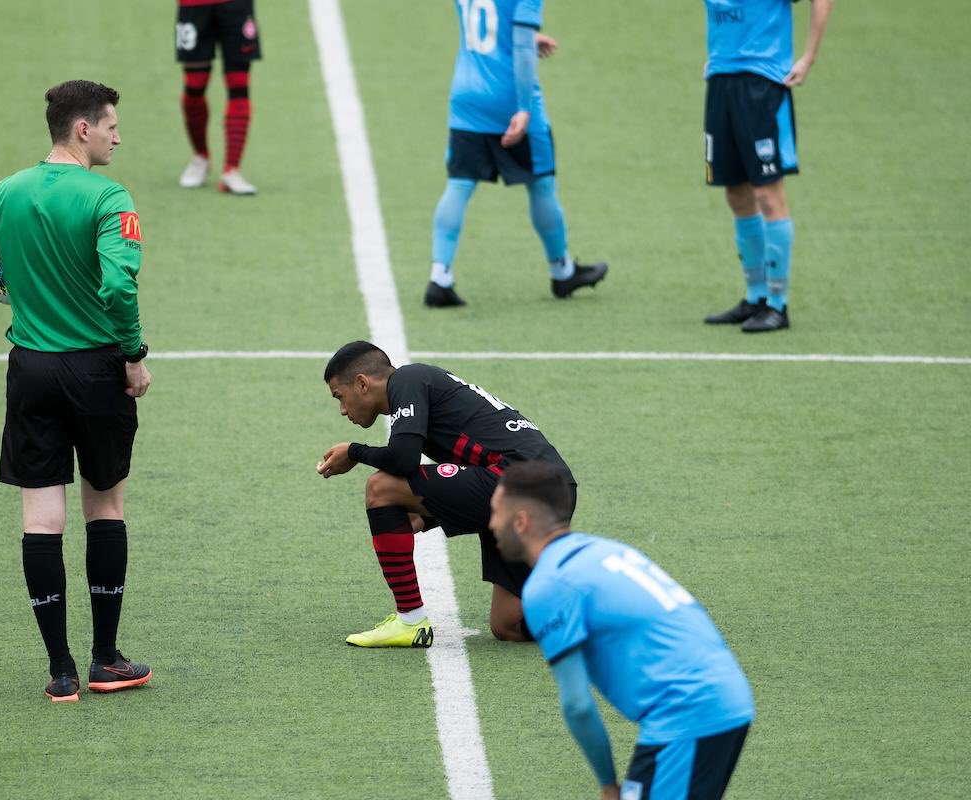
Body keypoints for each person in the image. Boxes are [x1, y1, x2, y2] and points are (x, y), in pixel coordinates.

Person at [0, 80, 154, 703]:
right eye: (111, 123)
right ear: (81, 129)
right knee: (105, 507)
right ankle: (105, 659)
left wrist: (4, 290)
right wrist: (133, 355)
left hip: (30, 369)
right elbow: (117, 289)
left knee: (41, 518)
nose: (118, 134)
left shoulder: (6, 192)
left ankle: (60, 672)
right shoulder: (110, 197)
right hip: (95, 370)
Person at [489, 461, 755, 800]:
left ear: (521, 522)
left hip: (688, 713)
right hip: (718, 697)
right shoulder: (605, 551)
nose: (491, 523)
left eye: (496, 512)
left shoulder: (549, 584)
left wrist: (607, 784)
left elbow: (578, 705)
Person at [316, 340, 578, 647]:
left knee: (381, 487)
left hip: (521, 482)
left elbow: (403, 459)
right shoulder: (424, 385)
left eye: (340, 397)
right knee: (507, 624)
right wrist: (427, 517)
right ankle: (591, 621)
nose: (343, 410)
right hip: (543, 488)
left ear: (362, 383)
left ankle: (410, 620)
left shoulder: (408, 379)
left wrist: (354, 452)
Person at [424, 0, 607, 307]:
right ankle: (562, 272)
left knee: (459, 182)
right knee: (542, 183)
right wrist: (523, 110)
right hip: (508, 98)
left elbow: (483, 23)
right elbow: (521, 51)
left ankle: (439, 277)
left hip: (466, 96)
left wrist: (518, 38)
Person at [701, 0, 833, 332]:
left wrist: (808, 58)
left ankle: (778, 303)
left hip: (762, 84)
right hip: (720, 80)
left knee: (768, 194)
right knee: (736, 193)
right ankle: (755, 297)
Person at [175, 0, 260, 195]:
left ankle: (232, 169)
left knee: (239, 85)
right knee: (195, 85)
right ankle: (201, 157)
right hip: (194, 5)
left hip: (236, 6)